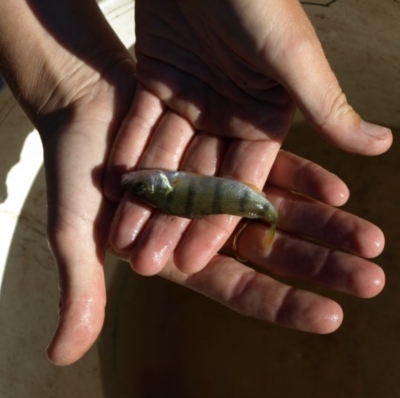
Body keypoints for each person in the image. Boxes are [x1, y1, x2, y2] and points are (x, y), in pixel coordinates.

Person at [0, 0, 392, 366]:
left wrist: (72, 89)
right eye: (140, 186)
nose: (136, 181)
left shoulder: (162, 186)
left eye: (141, 186)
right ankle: (265, 219)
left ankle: (266, 218)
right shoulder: (165, 187)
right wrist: (68, 87)